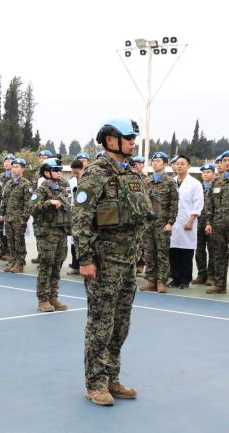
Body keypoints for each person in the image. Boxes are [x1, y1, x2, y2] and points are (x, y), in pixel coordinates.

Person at [74, 118, 152, 406]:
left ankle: (112, 378)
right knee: (100, 324)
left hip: (128, 262)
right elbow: (80, 220)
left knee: (121, 324)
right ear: (110, 140)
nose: (133, 142)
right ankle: (95, 384)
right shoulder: (95, 174)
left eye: (133, 138)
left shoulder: (132, 173)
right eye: (128, 138)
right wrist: (85, 260)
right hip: (103, 262)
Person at [30, 157, 71, 312]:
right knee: (46, 265)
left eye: (60, 170)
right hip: (46, 233)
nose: (60, 172)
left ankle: (53, 296)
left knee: (57, 264)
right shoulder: (41, 189)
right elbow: (32, 209)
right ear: (47, 172)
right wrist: (49, 203)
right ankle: (43, 299)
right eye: (56, 170)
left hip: (61, 231)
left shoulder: (65, 186)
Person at [139, 151, 178, 294]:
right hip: (147, 224)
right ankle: (151, 281)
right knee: (148, 253)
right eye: (153, 161)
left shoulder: (170, 182)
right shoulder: (146, 182)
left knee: (161, 253)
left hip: (162, 224)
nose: (155, 163)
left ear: (165, 164)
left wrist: (170, 222)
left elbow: (174, 204)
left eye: (158, 161)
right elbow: (141, 202)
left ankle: (161, 282)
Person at [168, 155, 204, 289]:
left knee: (186, 253)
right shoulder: (171, 182)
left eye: (182, 164)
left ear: (188, 166)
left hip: (187, 222)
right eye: (177, 163)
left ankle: (185, 279)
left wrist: (191, 220)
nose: (179, 166)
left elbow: (198, 203)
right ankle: (175, 278)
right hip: (172, 223)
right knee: (173, 252)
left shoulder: (195, 183)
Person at [0, 158, 32, 273]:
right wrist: (1, 213)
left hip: (19, 219)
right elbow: (4, 200)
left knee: (19, 241)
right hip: (8, 218)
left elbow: (29, 204)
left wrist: (24, 219)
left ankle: (20, 263)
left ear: (23, 168)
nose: (14, 169)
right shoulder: (9, 183)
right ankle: (12, 261)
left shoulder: (26, 184)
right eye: (13, 167)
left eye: (17, 167)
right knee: (10, 241)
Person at [205, 150, 229, 294]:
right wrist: (208, 222)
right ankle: (220, 284)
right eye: (225, 160)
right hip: (218, 225)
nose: (227, 163)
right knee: (219, 255)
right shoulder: (216, 181)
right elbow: (210, 204)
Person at [193, 163, 216, 285]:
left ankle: (211, 276)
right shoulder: (198, 188)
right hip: (198, 223)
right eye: (203, 172)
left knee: (212, 250)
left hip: (212, 224)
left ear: (213, 173)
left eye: (208, 172)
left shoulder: (217, 187)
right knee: (199, 251)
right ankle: (202, 274)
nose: (205, 174)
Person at [67, 159, 85, 275]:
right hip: (74, 214)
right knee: (74, 241)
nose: (74, 175)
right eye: (73, 173)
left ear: (82, 169)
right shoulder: (71, 181)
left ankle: (85, 266)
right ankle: (75, 265)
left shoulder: (88, 180)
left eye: (76, 173)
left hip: (85, 215)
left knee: (84, 242)